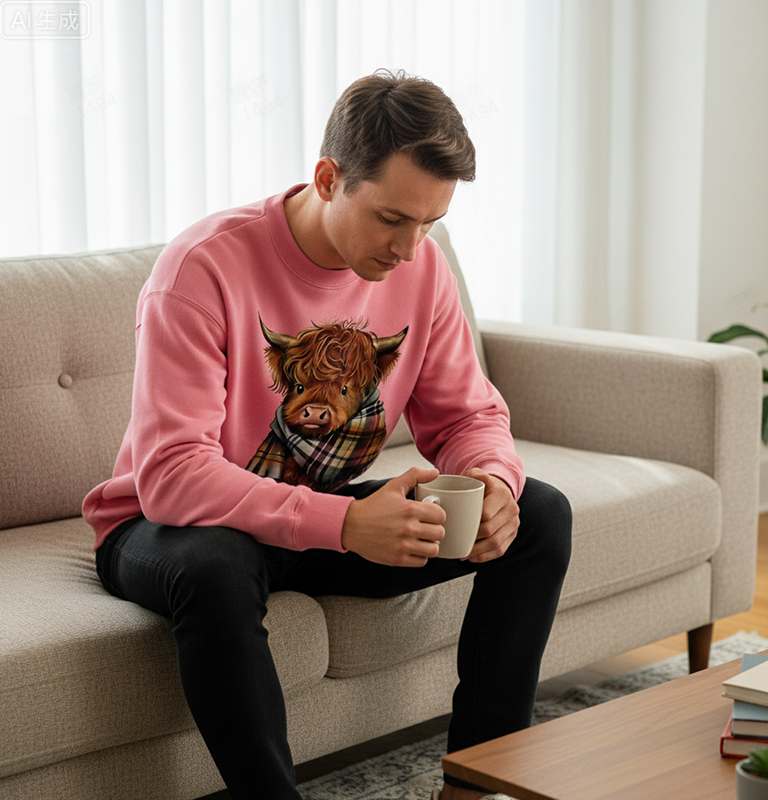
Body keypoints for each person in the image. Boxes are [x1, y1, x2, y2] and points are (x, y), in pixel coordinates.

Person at [83, 69, 572, 800]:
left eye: (430, 223)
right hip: (169, 527)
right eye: (391, 218)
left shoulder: (423, 268)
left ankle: (476, 787)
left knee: (540, 514)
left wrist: (494, 483)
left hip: (314, 521)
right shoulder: (202, 268)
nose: (409, 249)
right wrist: (344, 524)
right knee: (216, 566)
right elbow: (174, 474)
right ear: (327, 178)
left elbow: (467, 417)